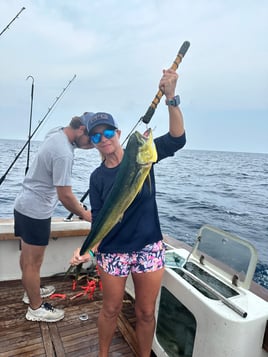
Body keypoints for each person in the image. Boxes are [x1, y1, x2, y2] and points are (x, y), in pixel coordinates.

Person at [70, 68, 186, 357]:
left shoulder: (143, 155)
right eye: (97, 136)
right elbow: (101, 220)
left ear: (118, 133)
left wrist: (171, 98)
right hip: (113, 251)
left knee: (146, 312)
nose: (104, 138)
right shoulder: (97, 178)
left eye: (108, 132)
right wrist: (87, 248)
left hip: (148, 246)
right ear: (93, 144)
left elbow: (177, 138)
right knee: (110, 309)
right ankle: (103, 354)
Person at [14, 114, 93, 322]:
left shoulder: (56, 132)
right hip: (36, 212)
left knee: (27, 259)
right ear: (81, 130)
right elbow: (65, 195)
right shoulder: (64, 154)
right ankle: (35, 307)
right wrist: (85, 214)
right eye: (91, 139)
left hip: (23, 205)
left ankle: (30, 292)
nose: (92, 146)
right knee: (33, 263)